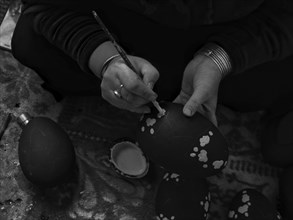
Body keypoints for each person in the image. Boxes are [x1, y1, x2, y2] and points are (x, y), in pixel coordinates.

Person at [11, 0, 293, 218]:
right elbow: (44, 8)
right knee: (30, 43)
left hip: (237, 30)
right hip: (126, 25)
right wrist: (106, 59)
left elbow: (285, 19)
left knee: (277, 79)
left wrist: (219, 58)